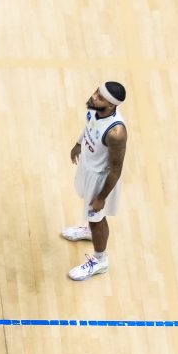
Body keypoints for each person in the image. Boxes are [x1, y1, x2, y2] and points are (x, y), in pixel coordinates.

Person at [61, 81, 128, 281]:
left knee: (96, 218)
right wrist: (78, 144)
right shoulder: (94, 109)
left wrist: (101, 197)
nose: (93, 97)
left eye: (100, 98)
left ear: (111, 105)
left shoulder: (116, 133)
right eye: (96, 92)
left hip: (101, 180)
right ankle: (91, 231)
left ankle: (100, 261)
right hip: (88, 168)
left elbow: (116, 170)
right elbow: (88, 126)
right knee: (91, 214)